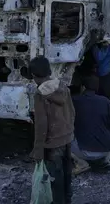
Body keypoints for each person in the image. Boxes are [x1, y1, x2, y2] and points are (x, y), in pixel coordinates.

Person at [29, 56, 75, 204]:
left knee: (54, 183)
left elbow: (41, 124)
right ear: (49, 71)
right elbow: (72, 112)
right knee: (67, 177)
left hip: (52, 145)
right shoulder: (63, 86)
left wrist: (38, 149)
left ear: (34, 76)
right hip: (67, 139)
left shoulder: (40, 94)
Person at [71, 76, 110, 174]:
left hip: (85, 151)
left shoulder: (75, 101)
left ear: (83, 87)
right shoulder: (106, 101)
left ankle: (81, 163)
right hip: (106, 148)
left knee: (62, 140)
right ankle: (105, 159)